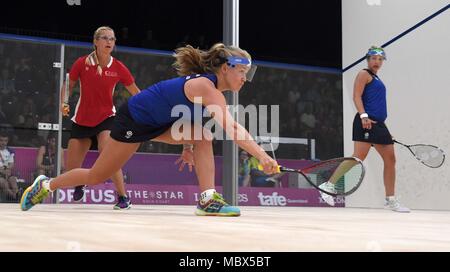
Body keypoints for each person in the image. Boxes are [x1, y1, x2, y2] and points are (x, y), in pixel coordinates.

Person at [20, 43, 279, 216]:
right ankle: (46, 184)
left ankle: (207, 199)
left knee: (203, 135)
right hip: (133, 121)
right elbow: (233, 128)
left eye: (248, 73)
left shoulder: (211, 91)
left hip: (161, 123)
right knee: (96, 176)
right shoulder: (207, 88)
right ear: (225, 68)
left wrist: (189, 146)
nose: (245, 78)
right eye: (242, 72)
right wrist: (263, 156)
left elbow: (188, 114)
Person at [319, 46, 410, 212]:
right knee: (357, 158)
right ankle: (328, 186)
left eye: (380, 59)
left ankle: (391, 200)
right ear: (368, 60)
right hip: (365, 121)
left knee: (391, 160)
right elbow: (356, 95)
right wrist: (363, 116)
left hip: (379, 125)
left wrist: (385, 129)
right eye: (374, 59)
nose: (377, 62)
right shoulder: (364, 74)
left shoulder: (377, 79)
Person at [61, 26, 140, 210]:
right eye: (104, 38)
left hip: (106, 118)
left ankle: (123, 197)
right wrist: (63, 102)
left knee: (108, 155)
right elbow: (69, 84)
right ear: (95, 41)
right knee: (71, 169)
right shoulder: (82, 63)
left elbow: (136, 92)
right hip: (81, 120)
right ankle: (80, 182)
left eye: (112, 39)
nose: (108, 42)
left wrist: (148, 110)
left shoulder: (119, 67)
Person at [0, 132, 19, 202]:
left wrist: (5, 168)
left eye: (5, 141)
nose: (3, 142)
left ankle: (17, 195)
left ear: (7, 141)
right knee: (3, 183)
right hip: (0, 175)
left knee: (13, 180)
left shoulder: (10, 151)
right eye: (1, 140)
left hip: (7, 173)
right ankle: (15, 198)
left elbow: (11, 164)